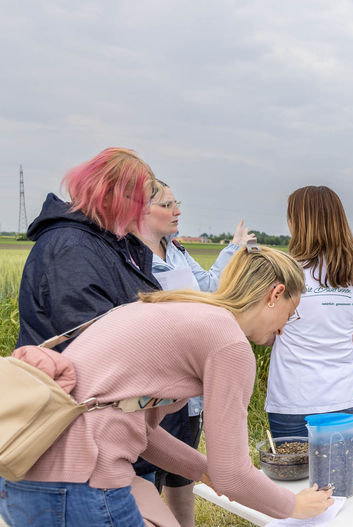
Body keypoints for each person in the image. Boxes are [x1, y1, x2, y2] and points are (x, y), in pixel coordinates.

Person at [0, 247, 334, 526]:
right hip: (81, 478)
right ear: (275, 294)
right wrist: (293, 506)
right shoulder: (228, 342)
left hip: (25, 469)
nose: (283, 329)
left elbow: (141, 433)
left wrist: (203, 470)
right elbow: (232, 474)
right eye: (291, 314)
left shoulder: (177, 307)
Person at [132, 179, 255, 527]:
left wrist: (233, 249)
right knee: (146, 473)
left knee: (182, 469)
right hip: (152, 384)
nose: (177, 212)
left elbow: (208, 288)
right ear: (140, 210)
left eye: (177, 204)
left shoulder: (176, 250)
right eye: (167, 205)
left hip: (186, 385)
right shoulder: (127, 257)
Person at [265, 185, 353, 438]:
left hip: (292, 401)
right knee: (338, 465)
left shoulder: (283, 273)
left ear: (298, 224)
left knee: (292, 465)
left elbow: (263, 335)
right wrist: (333, 335)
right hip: (342, 401)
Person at [17, 147, 160, 350]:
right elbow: (95, 342)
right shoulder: (72, 250)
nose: (146, 210)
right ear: (107, 195)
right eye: (141, 202)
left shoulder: (109, 242)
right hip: (73, 370)